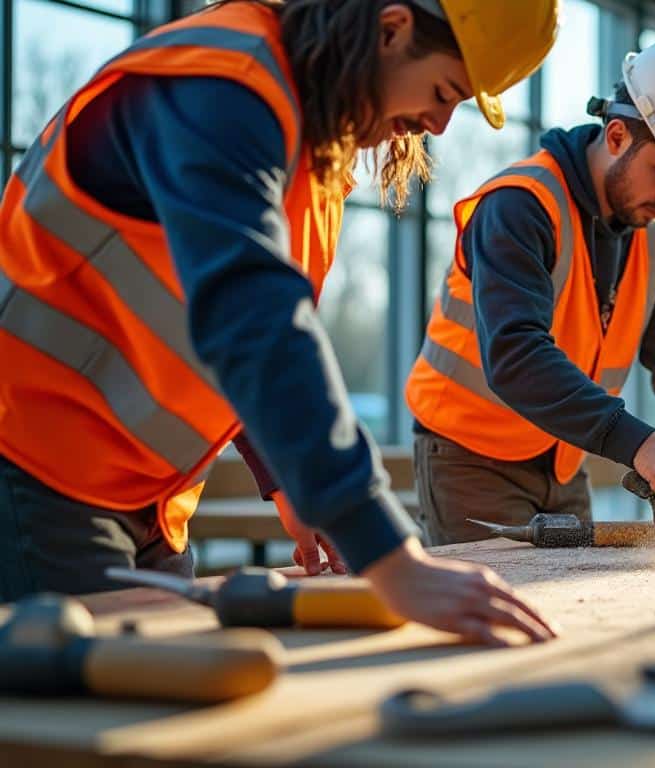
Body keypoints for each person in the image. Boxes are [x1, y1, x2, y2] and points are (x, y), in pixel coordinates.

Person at [0, 0, 560, 646]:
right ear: (391, 28)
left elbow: (233, 341)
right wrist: (385, 549)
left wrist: (297, 487)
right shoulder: (223, 85)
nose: (437, 124)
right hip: (35, 468)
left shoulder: (305, 150)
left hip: (144, 500)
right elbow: (255, 319)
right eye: (444, 91)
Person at [405, 36, 655, 545]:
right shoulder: (519, 206)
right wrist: (639, 442)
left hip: (564, 456)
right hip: (471, 460)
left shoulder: (650, 239)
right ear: (617, 136)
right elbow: (515, 354)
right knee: (493, 611)